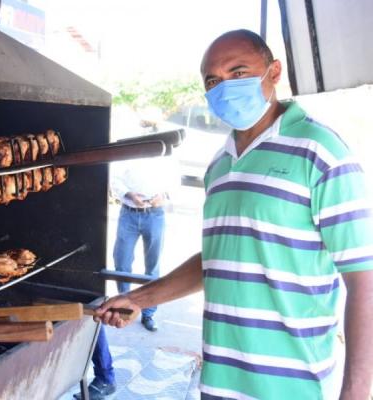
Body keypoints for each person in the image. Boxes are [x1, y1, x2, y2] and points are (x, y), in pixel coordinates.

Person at [95, 29, 373, 400]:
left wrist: (355, 391)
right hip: (219, 384)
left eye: (238, 72)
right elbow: (219, 258)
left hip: (292, 388)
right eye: (213, 80)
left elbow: (364, 279)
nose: (225, 86)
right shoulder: (220, 165)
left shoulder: (321, 152)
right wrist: (141, 299)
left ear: (274, 72)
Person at [110, 153, 179, 331]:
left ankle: (148, 314)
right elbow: (115, 178)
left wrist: (163, 195)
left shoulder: (167, 157)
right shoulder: (131, 152)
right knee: (122, 262)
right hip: (129, 213)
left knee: (152, 265)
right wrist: (129, 194)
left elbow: (175, 183)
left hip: (155, 214)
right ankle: (124, 307)